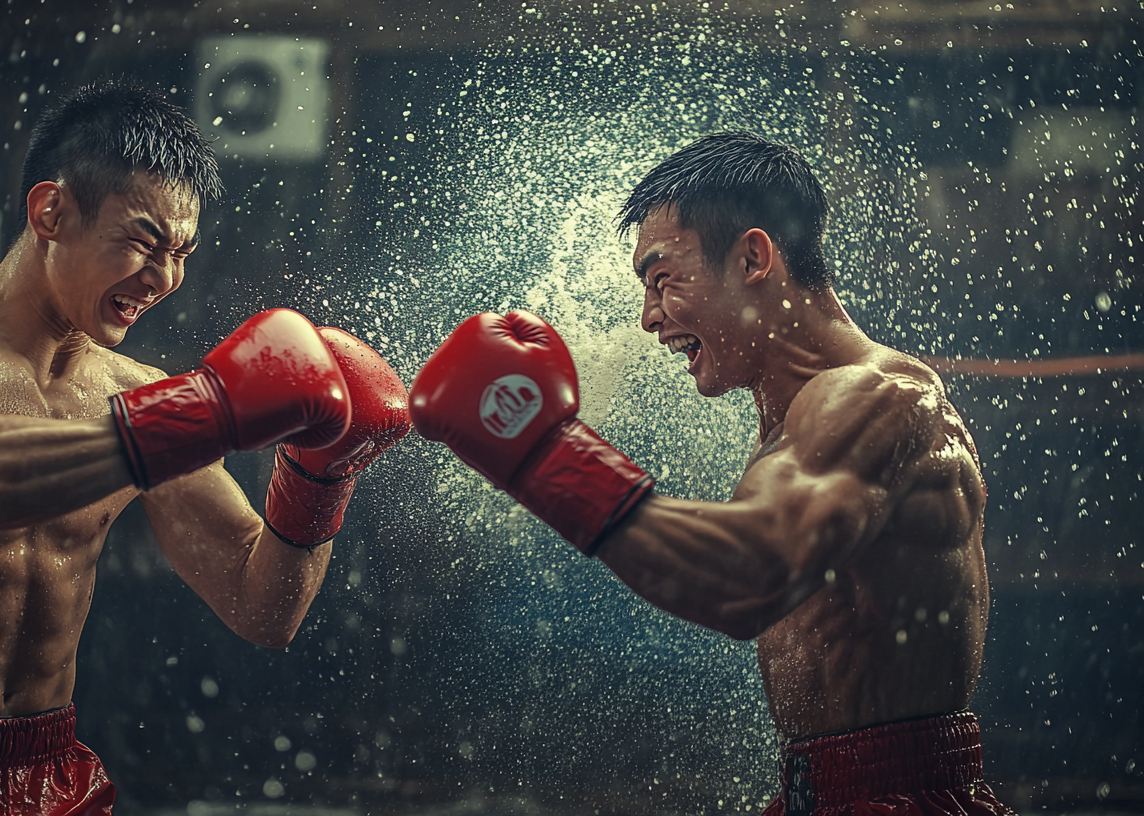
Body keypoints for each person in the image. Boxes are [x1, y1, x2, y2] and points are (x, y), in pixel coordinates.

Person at [0, 79, 410, 815]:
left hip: (52, 776)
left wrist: (318, 478)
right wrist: (198, 416)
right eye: (144, 239)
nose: (164, 277)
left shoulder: (140, 392)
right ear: (51, 211)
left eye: (180, 252)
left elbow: (261, 607)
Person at [410, 131, 1011, 815]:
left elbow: (751, 576)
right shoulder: (796, 418)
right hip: (819, 793)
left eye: (664, 280)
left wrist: (543, 455)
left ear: (754, 256)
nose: (648, 318)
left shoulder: (877, 394)